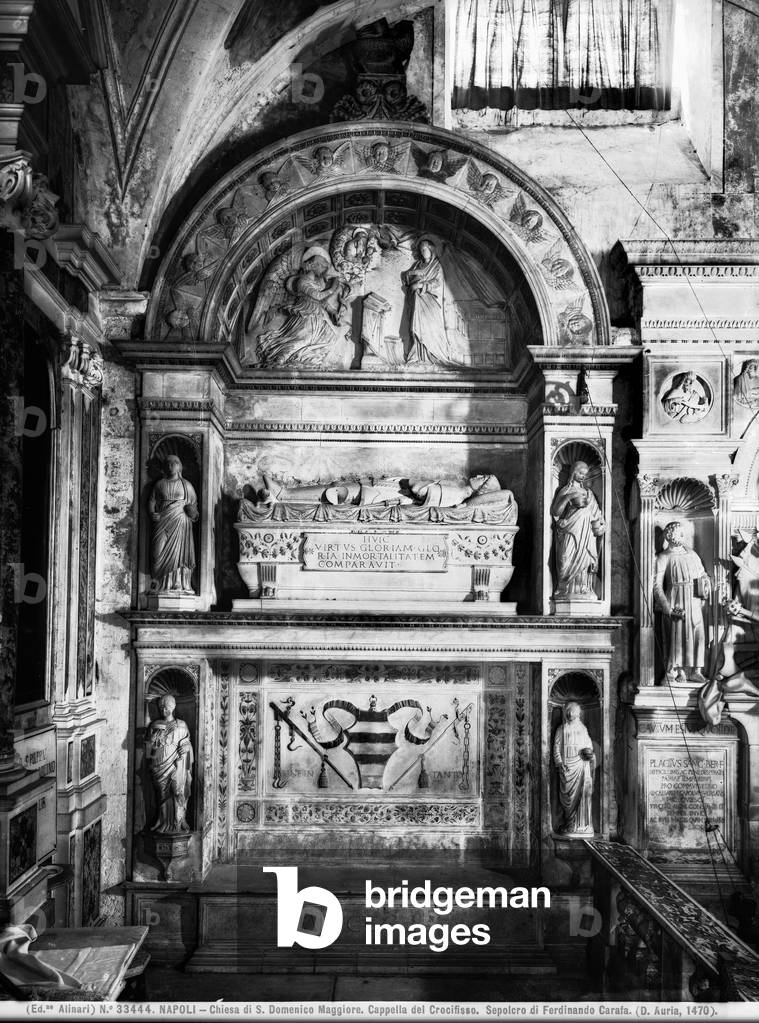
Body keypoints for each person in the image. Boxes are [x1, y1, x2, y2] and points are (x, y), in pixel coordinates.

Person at [257, 246, 349, 368]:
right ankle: (279, 359)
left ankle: (308, 361)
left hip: (317, 316)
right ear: (313, 265)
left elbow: (323, 302)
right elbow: (317, 296)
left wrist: (333, 312)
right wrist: (332, 288)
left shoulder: (316, 283)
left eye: (324, 267)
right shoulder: (303, 281)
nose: (323, 270)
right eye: (321, 265)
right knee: (303, 340)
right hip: (305, 314)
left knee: (330, 336)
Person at [653, 520, 711, 684]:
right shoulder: (664, 557)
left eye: (682, 532)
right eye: (680, 532)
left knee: (697, 632)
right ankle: (674, 672)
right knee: (677, 635)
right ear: (670, 535)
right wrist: (666, 606)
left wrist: (706, 583)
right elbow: (656, 585)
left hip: (694, 599)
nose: (683, 535)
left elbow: (702, 574)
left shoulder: (692, 554)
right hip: (676, 598)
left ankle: (695, 670)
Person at [550, 461, 605, 598]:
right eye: (580, 473)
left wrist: (601, 524)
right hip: (569, 529)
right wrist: (569, 497)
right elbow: (556, 512)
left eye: (585, 474)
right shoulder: (566, 490)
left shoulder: (588, 493)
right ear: (573, 472)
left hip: (586, 532)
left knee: (585, 560)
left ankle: (583, 590)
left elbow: (596, 514)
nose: (582, 476)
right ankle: (564, 590)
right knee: (564, 559)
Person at [148, 455, 199, 592]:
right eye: (168, 463)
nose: (171, 465)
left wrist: (191, 512)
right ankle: (160, 583)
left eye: (174, 463)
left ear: (179, 466)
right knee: (157, 553)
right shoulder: (160, 484)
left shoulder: (187, 485)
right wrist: (153, 513)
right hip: (162, 521)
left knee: (179, 552)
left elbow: (194, 507)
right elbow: (152, 501)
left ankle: (177, 583)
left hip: (180, 523)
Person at [145, 694, 194, 833]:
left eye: (165, 706)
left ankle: (178, 822)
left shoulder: (181, 725)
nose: (163, 709)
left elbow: (187, 743)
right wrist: (153, 742)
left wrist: (186, 747)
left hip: (176, 764)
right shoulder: (155, 725)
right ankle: (162, 823)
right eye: (161, 706)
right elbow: (148, 748)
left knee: (177, 792)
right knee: (162, 795)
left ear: (172, 707)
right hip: (159, 764)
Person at [403, 239, 453, 366]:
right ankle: (417, 356)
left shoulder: (436, 266)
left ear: (431, 250)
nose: (422, 252)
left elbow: (438, 282)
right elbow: (407, 279)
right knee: (415, 327)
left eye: (424, 249)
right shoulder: (417, 265)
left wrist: (421, 285)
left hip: (430, 301)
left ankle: (431, 355)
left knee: (429, 328)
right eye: (421, 250)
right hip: (417, 300)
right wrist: (412, 276)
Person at [553, 702, 595, 835]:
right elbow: (556, 748)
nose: (573, 716)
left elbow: (589, 746)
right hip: (567, 768)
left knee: (583, 794)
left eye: (575, 714)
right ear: (568, 714)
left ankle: (582, 825)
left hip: (581, 766)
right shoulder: (562, 729)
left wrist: (590, 754)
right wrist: (560, 763)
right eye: (570, 713)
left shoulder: (583, 729)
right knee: (567, 797)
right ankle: (569, 824)